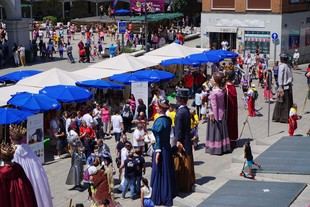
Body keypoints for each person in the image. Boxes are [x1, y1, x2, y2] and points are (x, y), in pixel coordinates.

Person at [10, 125, 53, 207]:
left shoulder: (14, 153)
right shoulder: (28, 149)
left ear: (11, 138)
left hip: (24, 183)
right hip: (36, 180)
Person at [151, 97, 175, 206]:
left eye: (157, 106)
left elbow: (159, 138)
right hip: (167, 148)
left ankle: (160, 195)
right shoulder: (167, 119)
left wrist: (158, 151)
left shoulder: (160, 121)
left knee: (159, 171)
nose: (156, 107)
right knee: (166, 170)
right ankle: (166, 192)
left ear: (161, 108)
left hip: (160, 148)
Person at [205, 72, 231, 155]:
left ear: (215, 81)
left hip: (215, 114)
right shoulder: (221, 90)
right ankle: (224, 147)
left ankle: (215, 149)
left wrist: (214, 116)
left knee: (215, 133)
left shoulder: (214, 93)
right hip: (222, 113)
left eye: (212, 78)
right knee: (222, 132)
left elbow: (214, 106)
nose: (211, 80)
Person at [272, 53, 293, 123]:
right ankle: (281, 117)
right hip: (284, 87)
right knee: (282, 102)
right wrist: (280, 87)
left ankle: (287, 116)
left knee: (287, 103)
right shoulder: (282, 66)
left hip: (288, 86)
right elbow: (280, 76)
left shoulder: (287, 65)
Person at [225, 70, 238, 149]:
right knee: (233, 122)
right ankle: (232, 139)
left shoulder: (227, 88)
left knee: (228, 123)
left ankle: (228, 139)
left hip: (228, 109)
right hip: (233, 109)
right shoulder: (233, 87)